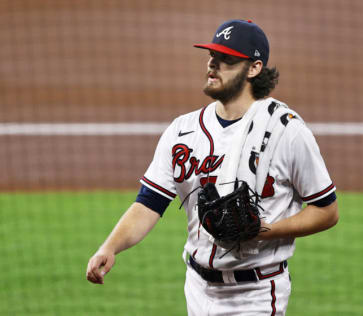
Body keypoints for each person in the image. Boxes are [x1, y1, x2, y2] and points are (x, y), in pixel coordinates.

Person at [86, 19, 339, 315]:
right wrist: (109, 247)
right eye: (212, 56)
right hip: (196, 288)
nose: (212, 65)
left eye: (226, 59)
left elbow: (327, 211)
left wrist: (260, 230)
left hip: (255, 293)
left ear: (254, 68)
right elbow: (149, 202)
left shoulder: (287, 131)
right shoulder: (183, 130)